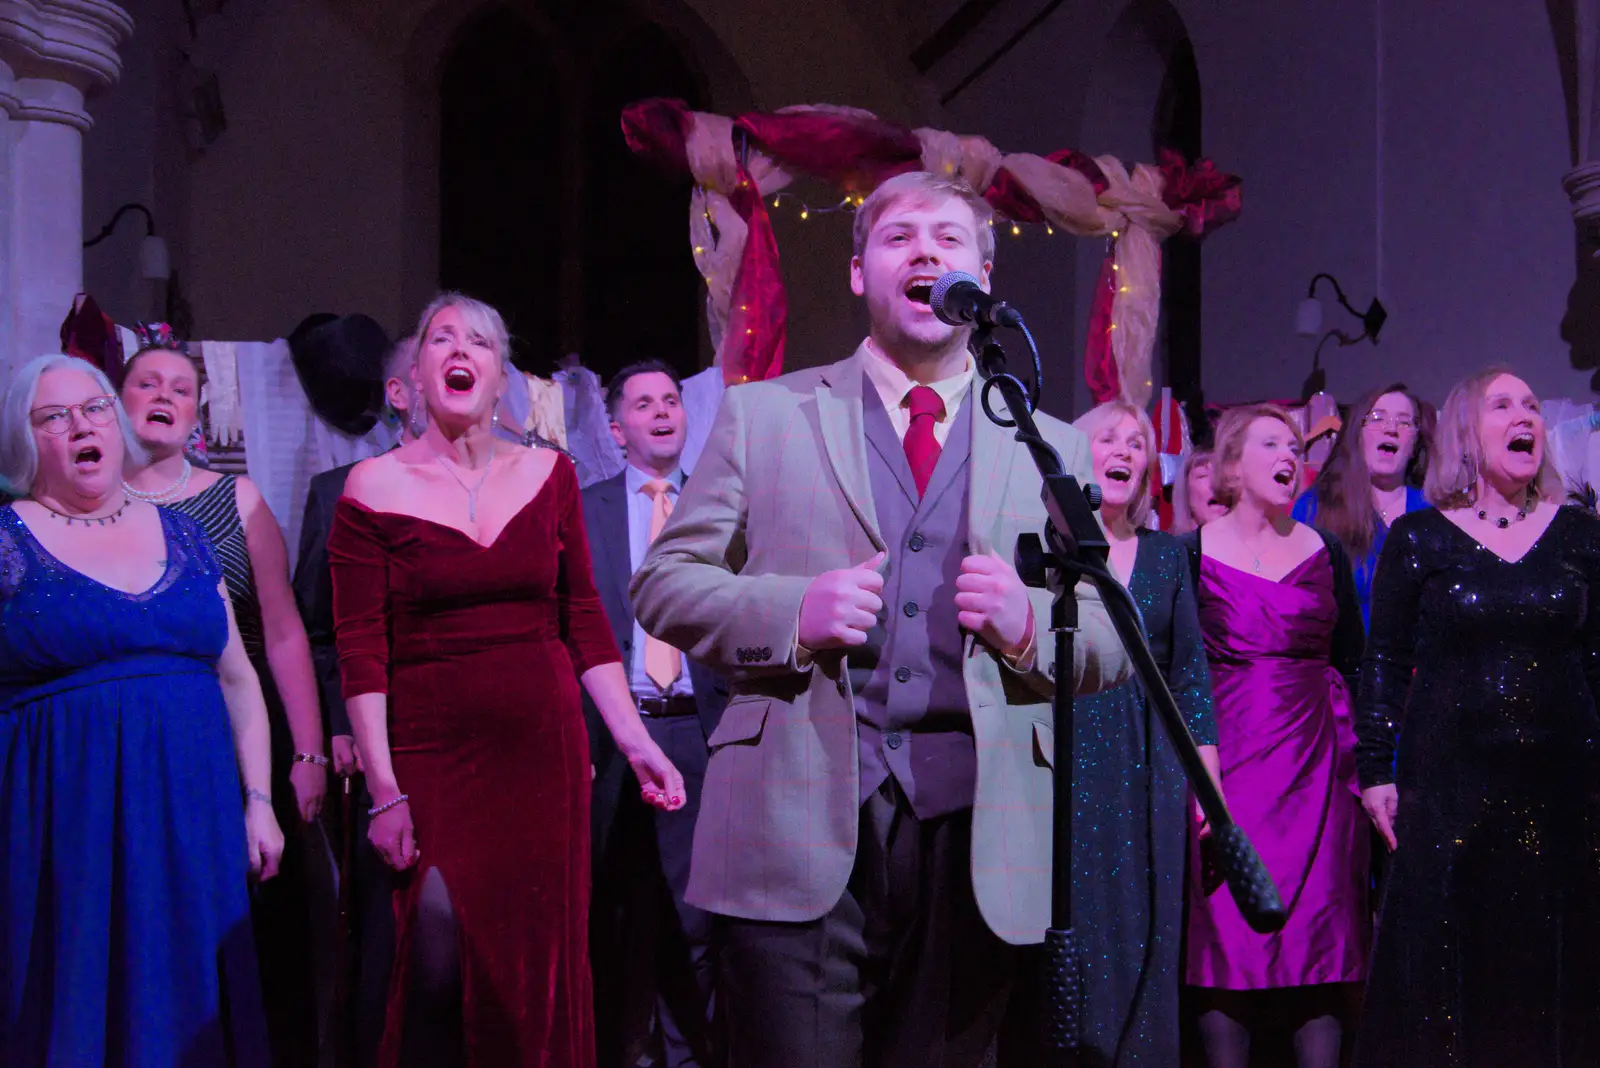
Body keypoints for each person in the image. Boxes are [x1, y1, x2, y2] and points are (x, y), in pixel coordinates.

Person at [629, 170, 1131, 1068]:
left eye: (948, 239)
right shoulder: (764, 416)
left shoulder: (1051, 444)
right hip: (794, 817)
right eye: (899, 238)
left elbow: (1109, 638)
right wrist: (791, 609)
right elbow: (663, 583)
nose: (926, 252)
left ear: (981, 275)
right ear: (860, 274)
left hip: (980, 828)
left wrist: (1027, 624)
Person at [329, 292, 685, 1068]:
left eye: (482, 342)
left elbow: (585, 621)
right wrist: (383, 787)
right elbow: (361, 648)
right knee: (433, 959)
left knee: (535, 972)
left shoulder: (549, 477)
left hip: (542, 756)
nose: (460, 350)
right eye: (441, 338)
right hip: (429, 755)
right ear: (417, 376)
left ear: (501, 382)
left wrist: (635, 741)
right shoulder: (369, 490)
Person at [0, 353, 284, 1066]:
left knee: (189, 1000)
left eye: (94, 408)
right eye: (53, 417)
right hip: (65, 822)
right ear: (26, 440)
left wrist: (259, 799)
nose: (80, 426)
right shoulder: (8, 541)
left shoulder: (184, 536)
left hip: (192, 816)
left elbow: (239, 679)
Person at [1354, 368, 1600, 1067]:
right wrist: (1376, 770)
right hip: (1449, 792)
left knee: (1551, 969)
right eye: (1503, 404)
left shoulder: (1581, 536)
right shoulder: (1419, 538)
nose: (1525, 414)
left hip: (1561, 789)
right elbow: (1383, 661)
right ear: (1466, 430)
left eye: (1531, 404)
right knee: (1449, 972)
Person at [119, 326, 328, 1067]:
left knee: (243, 919)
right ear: (118, 399)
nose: (164, 398)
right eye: (148, 384)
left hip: (235, 730)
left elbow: (283, 633)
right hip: (133, 735)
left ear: (198, 410)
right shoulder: (89, 502)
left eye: (181, 388)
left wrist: (305, 752)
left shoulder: (233, 499)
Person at [1182, 404, 1369, 1068]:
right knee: (1227, 936)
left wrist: (1367, 773)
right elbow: (1178, 671)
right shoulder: (1191, 554)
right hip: (1229, 769)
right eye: (1272, 443)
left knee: (1321, 937)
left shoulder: (1325, 554)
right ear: (1232, 464)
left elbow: (1356, 662)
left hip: (1319, 771)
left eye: (1295, 445)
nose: (1291, 454)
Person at [582, 360, 728, 1068]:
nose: (662, 411)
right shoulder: (586, 508)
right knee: (614, 910)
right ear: (617, 429)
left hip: (695, 729)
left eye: (670, 399)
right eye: (643, 403)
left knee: (694, 914)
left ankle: (690, 1055)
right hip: (614, 732)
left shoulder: (719, 503)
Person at [1068, 401, 1220, 1065]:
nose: (1127, 449)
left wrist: (1206, 780)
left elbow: (1191, 676)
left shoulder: (1166, 557)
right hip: (1068, 758)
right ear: (1077, 454)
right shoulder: (1049, 552)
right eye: (1111, 438)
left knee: (1151, 922)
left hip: (1155, 761)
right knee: (1079, 922)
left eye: (1139, 441)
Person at [294, 334, 422, 1068]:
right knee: (384, 932)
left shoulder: (512, 483)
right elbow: (316, 627)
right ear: (401, 393)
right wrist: (340, 722)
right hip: (383, 743)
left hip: (473, 735)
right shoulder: (340, 490)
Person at [1293, 383, 1431, 627]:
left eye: (1404, 422)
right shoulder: (1316, 508)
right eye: (1377, 418)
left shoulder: (1434, 511)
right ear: (1356, 434)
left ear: (1415, 445)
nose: (1391, 429)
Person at [1171, 446, 1227, 533]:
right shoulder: (1169, 545)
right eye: (1203, 475)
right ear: (1186, 493)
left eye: (1222, 475)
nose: (1216, 483)